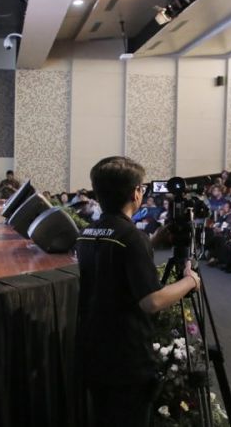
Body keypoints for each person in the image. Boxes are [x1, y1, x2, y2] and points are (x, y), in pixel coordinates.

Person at [76, 156, 201, 427]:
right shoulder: (132, 238)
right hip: (127, 358)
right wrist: (190, 281)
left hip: (94, 350)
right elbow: (152, 301)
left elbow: (114, 266)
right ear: (136, 193)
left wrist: (152, 242)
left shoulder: (87, 233)